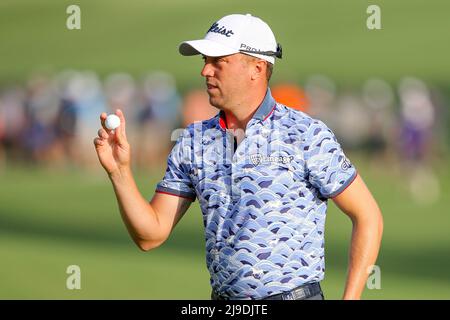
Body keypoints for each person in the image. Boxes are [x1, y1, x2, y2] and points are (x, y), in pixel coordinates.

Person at [93, 13, 383, 300]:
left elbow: (368, 216)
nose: (205, 71)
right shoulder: (193, 140)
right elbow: (150, 235)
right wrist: (120, 172)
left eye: (218, 62)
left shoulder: (305, 134)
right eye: (205, 62)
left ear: (256, 68)